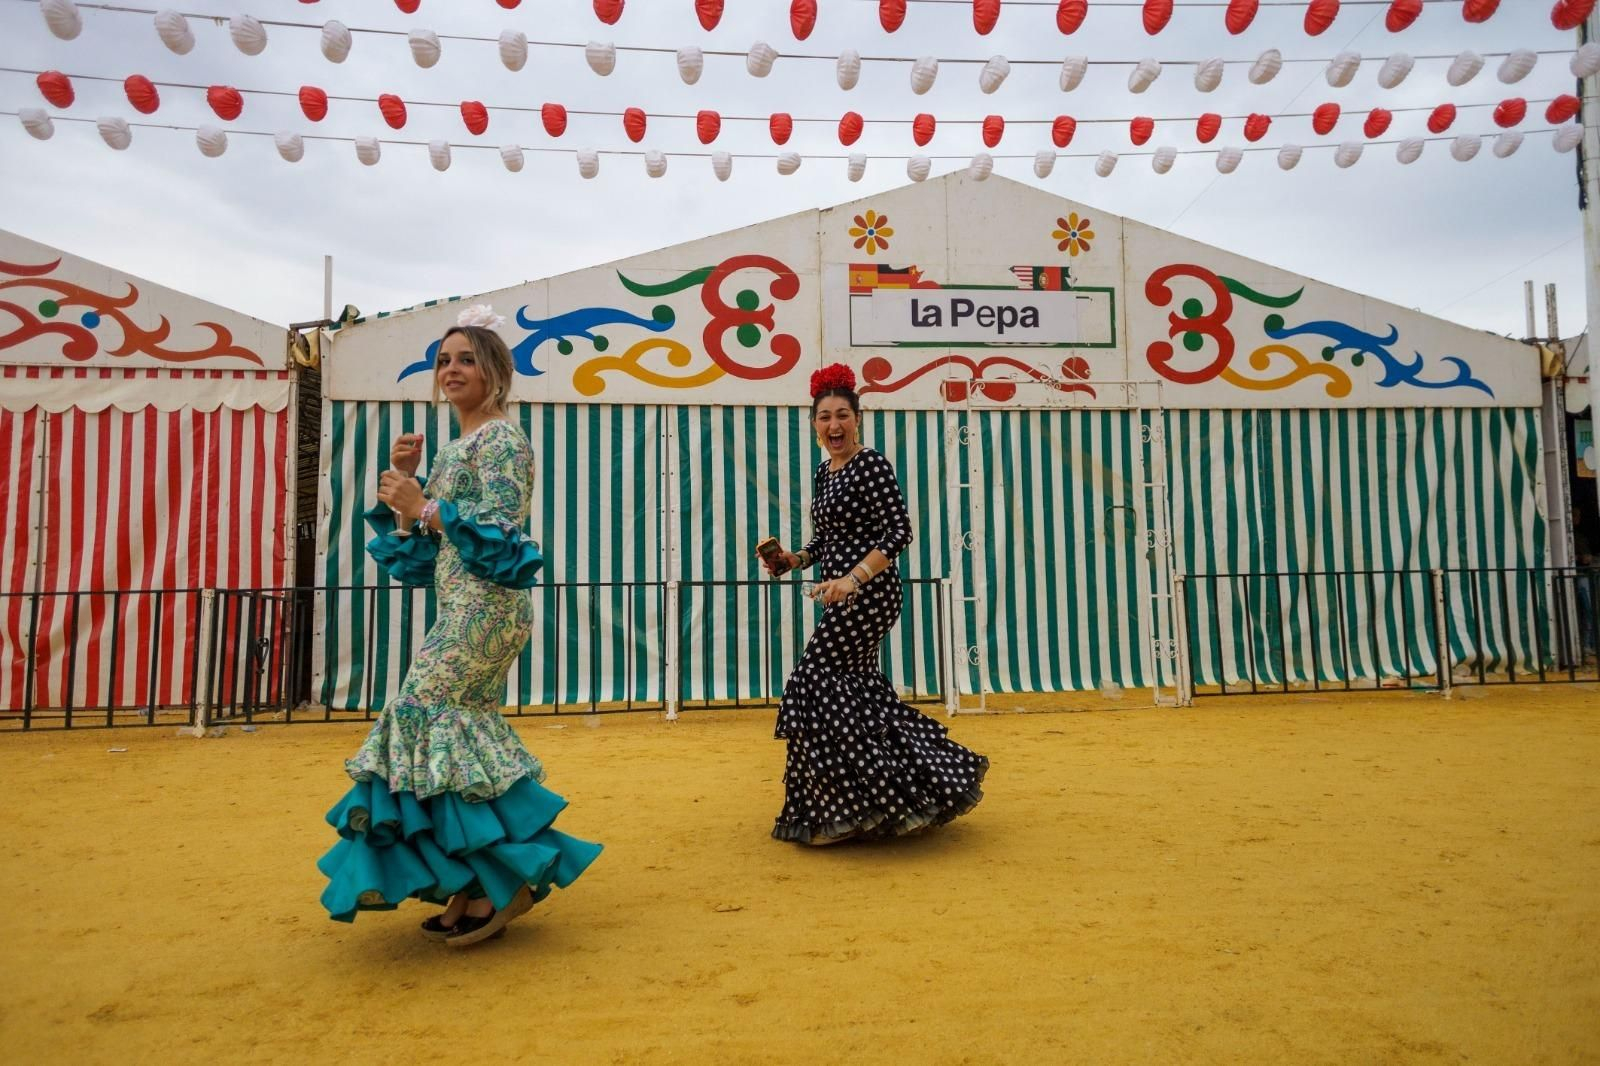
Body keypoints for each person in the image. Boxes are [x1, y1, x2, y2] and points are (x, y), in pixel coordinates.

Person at [316, 305, 601, 946]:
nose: (451, 370)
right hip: (462, 606)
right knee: (452, 737)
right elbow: (427, 550)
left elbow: (501, 530)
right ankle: (477, 883)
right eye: (444, 360)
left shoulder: (502, 440)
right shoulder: (453, 449)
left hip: (488, 608)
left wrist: (425, 504)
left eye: (466, 359)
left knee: (424, 713)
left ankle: (503, 878)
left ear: (495, 371)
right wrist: (407, 491)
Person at [760, 363, 988, 845]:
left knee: (812, 680)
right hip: (840, 594)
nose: (834, 425)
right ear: (814, 423)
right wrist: (793, 560)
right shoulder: (824, 473)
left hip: (872, 593)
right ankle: (893, 797)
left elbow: (899, 532)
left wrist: (853, 578)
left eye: (842, 415)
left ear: (857, 419)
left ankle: (849, 806)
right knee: (857, 691)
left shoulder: (871, 464)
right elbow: (826, 541)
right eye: (825, 417)